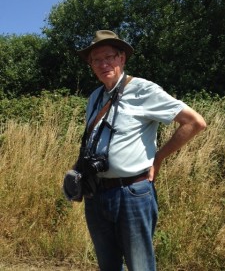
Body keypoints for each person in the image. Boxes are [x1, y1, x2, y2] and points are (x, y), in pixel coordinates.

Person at [75, 30, 206, 271]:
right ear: (91, 64)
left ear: (122, 58)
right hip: (96, 195)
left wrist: (158, 159)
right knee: (108, 265)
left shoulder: (143, 89)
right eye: (96, 59)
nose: (103, 64)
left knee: (140, 265)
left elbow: (195, 122)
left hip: (132, 193)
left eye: (109, 57)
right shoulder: (95, 97)